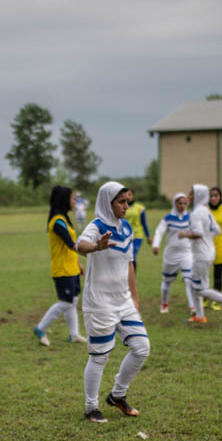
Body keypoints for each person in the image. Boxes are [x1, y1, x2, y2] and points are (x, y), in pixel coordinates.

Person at [76, 181, 149, 423]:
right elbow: (80, 245)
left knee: (142, 348)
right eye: (121, 202)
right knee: (99, 356)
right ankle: (91, 408)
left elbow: (129, 265)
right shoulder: (96, 226)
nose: (126, 206)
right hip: (100, 303)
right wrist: (97, 246)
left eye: (127, 201)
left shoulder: (126, 227)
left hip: (123, 301)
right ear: (108, 203)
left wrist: (135, 298)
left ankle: (117, 395)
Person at [33, 185, 87, 345]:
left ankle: (74, 334)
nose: (75, 201)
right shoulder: (57, 221)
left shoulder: (64, 219)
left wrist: (78, 263)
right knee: (66, 302)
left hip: (71, 267)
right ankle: (40, 328)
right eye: (72, 198)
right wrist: (93, 249)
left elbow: (71, 247)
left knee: (73, 301)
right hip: (63, 269)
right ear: (64, 200)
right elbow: (72, 244)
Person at [182, 183, 222, 324]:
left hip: (201, 256)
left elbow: (198, 233)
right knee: (193, 284)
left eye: (191, 193)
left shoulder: (196, 213)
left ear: (198, 195)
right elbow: (217, 230)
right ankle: (200, 316)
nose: (189, 196)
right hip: (209, 253)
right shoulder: (206, 210)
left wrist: (184, 234)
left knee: (199, 289)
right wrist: (207, 238)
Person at [150, 192, 195, 314]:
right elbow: (159, 231)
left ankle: (193, 307)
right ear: (175, 203)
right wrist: (155, 245)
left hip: (186, 254)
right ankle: (164, 304)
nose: (182, 206)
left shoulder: (190, 217)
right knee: (167, 282)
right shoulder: (168, 218)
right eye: (180, 203)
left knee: (189, 280)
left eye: (184, 203)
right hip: (171, 255)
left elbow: (195, 232)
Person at [207, 186, 222, 309]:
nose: (213, 198)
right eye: (211, 196)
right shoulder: (204, 210)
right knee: (204, 275)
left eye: (216, 196)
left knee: (218, 275)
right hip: (205, 247)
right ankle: (204, 299)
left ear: (220, 197)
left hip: (219, 247)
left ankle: (216, 301)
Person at [124, 189, 150, 272]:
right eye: (126, 195)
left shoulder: (140, 208)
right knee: (124, 256)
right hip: (124, 236)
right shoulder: (122, 207)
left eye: (130, 194)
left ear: (133, 196)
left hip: (136, 236)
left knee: (132, 256)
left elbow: (144, 223)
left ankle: (133, 276)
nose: (128, 197)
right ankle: (126, 275)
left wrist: (148, 236)